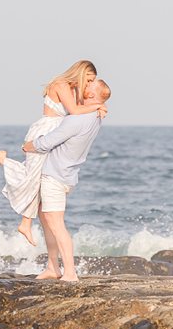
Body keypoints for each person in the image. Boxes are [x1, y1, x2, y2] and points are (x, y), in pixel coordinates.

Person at [0, 60, 108, 245]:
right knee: (32, 176)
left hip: (56, 134)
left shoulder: (75, 90)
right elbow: (75, 111)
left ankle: (26, 222)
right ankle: (4, 162)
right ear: (80, 73)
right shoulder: (61, 84)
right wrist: (97, 106)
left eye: (92, 81)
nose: (90, 84)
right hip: (44, 132)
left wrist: (99, 104)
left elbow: (80, 111)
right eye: (89, 79)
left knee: (37, 177)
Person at [19, 78, 110, 281]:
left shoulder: (76, 119)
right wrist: (100, 106)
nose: (85, 86)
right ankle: (53, 267)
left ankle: (70, 272)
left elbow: (48, 142)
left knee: (56, 223)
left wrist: (27, 146)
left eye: (89, 86)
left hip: (55, 175)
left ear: (93, 95)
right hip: (66, 174)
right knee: (46, 219)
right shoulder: (95, 117)